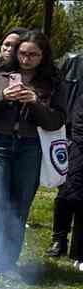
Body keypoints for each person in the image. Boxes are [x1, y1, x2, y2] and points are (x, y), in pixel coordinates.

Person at [0, 30, 65, 277]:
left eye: (33, 54)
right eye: (22, 53)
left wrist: (35, 102)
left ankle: (7, 263)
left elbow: (56, 121)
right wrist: (2, 96)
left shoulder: (52, 82)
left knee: (19, 205)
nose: (26, 59)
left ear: (43, 56)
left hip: (30, 146)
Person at [54, 49, 83, 269]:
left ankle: (79, 252)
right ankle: (59, 238)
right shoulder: (74, 63)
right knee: (68, 194)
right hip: (76, 146)